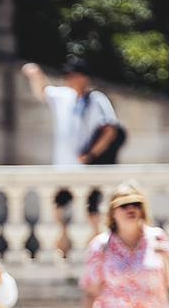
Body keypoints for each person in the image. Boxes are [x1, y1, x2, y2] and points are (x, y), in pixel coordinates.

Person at [21, 57, 120, 249]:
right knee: (56, 209)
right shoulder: (63, 96)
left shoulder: (96, 99)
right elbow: (43, 91)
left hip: (86, 169)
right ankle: (61, 251)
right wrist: (36, 75)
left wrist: (90, 154)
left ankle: (101, 253)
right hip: (63, 168)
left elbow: (110, 129)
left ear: (82, 77)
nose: (65, 78)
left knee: (91, 212)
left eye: (70, 74)